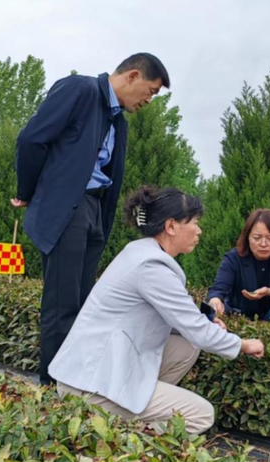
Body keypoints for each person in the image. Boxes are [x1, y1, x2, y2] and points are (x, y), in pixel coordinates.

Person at [49, 186, 266, 435]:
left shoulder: (141, 253)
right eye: (194, 222)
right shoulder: (152, 267)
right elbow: (197, 330)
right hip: (89, 385)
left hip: (89, 371)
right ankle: (120, 435)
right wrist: (244, 345)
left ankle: (133, 407)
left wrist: (206, 326)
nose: (199, 230)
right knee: (201, 415)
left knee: (186, 347)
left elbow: (186, 324)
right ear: (171, 226)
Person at [12, 53, 170, 385]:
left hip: (94, 212)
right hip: (69, 209)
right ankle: (52, 391)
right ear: (132, 76)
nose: (148, 100)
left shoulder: (118, 122)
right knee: (62, 306)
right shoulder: (80, 90)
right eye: (151, 91)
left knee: (85, 308)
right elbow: (32, 139)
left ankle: (75, 386)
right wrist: (28, 192)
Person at [207, 209, 270, 326]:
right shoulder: (234, 258)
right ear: (248, 237)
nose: (263, 244)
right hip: (241, 316)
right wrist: (215, 300)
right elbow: (218, 288)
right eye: (257, 237)